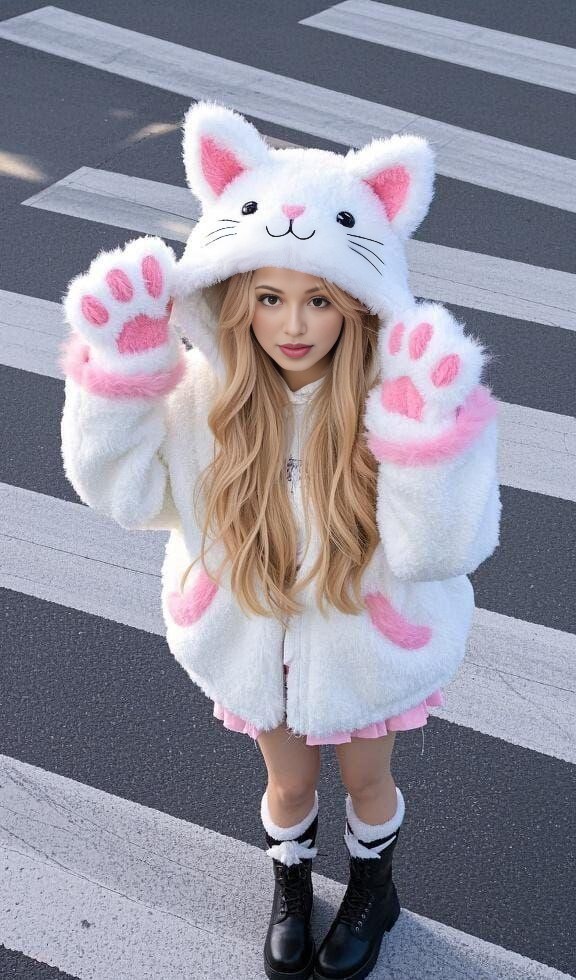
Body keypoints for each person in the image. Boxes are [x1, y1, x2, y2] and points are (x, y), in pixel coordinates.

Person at [58, 101, 501, 980]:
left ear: (357, 304)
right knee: (289, 784)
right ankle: (291, 882)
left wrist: (426, 439)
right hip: (253, 645)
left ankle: (372, 888)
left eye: (319, 300)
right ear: (235, 297)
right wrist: (122, 379)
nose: (293, 326)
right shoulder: (204, 397)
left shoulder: (401, 393)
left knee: (367, 782)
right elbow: (124, 494)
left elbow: (441, 549)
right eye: (269, 298)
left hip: (366, 651)